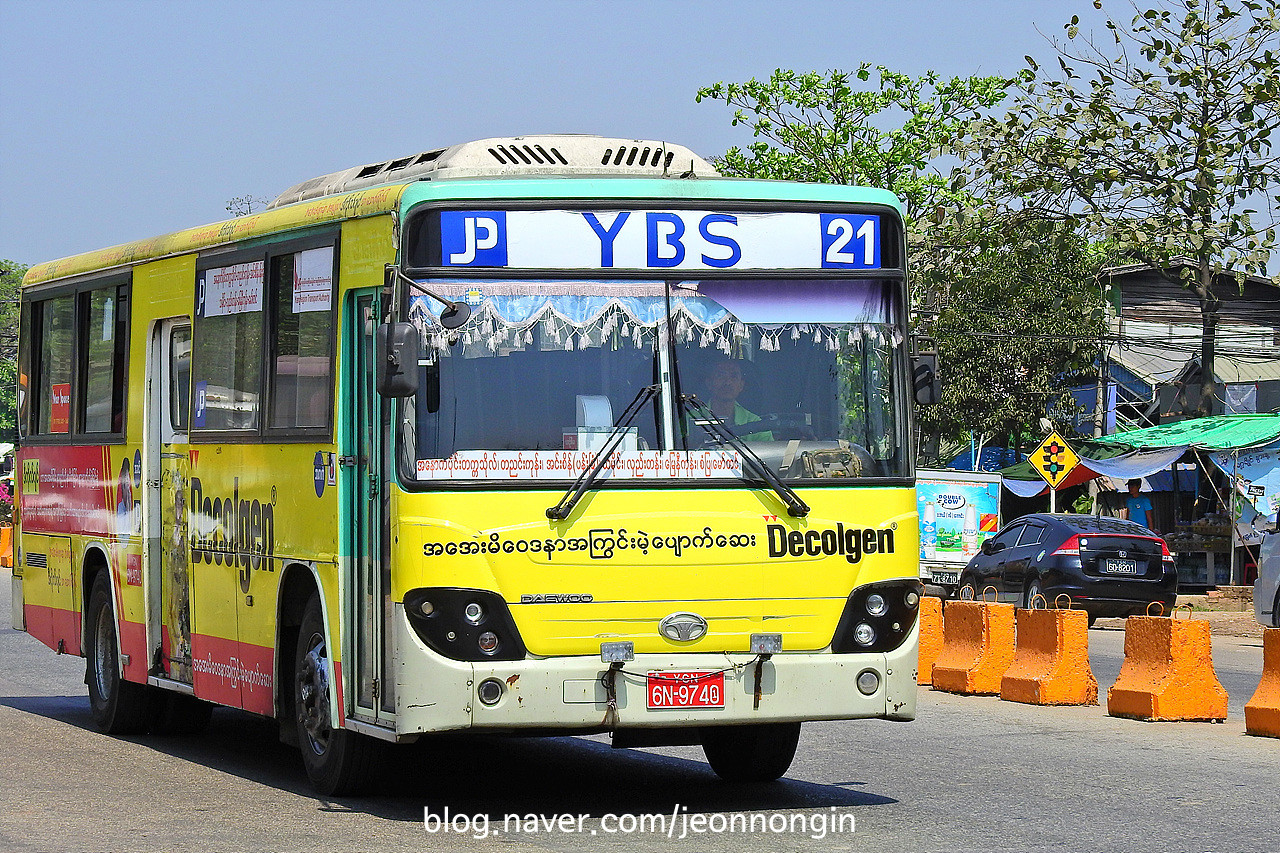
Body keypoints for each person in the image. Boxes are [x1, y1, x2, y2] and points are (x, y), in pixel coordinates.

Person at [700, 358, 772, 441]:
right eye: (720, 375)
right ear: (709, 383)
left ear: (741, 385)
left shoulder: (757, 424)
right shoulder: (689, 419)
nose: (728, 382)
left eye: (734, 376)